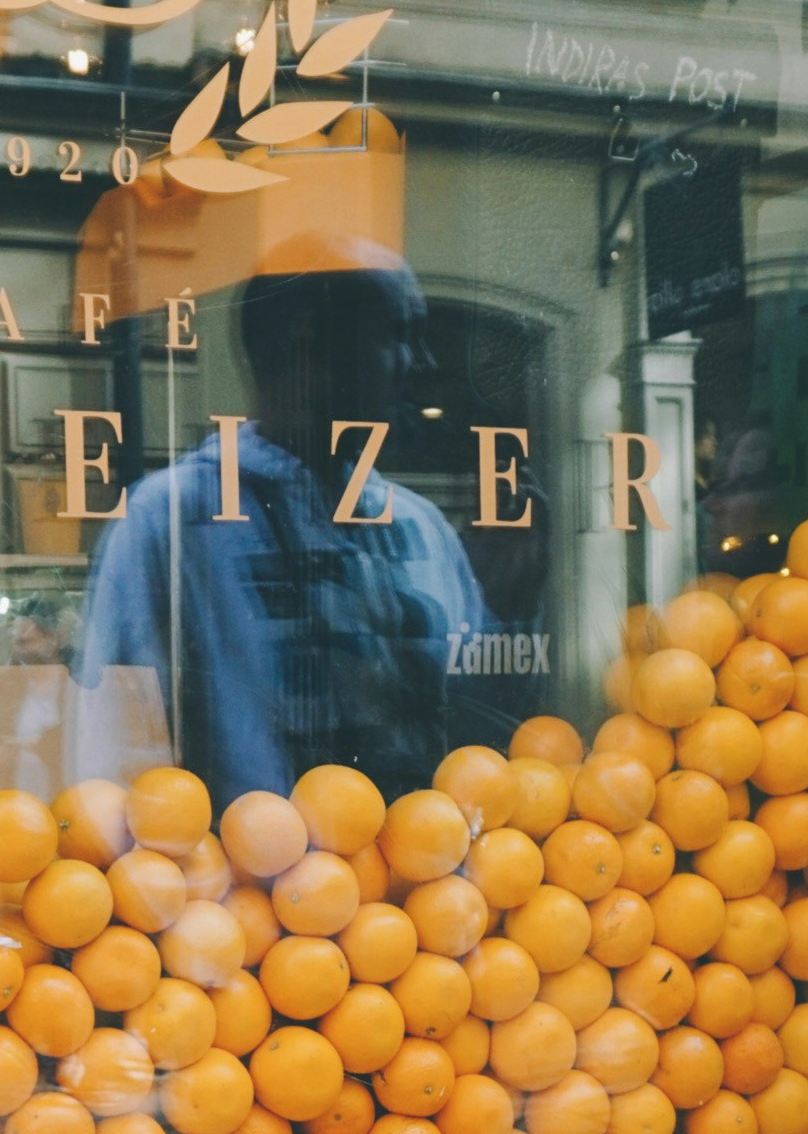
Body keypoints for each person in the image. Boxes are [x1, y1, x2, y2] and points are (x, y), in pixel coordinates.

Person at [75, 234, 513, 804]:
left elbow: (482, 733)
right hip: (251, 889)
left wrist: (514, 607)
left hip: (428, 885)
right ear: (313, 340)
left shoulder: (422, 525)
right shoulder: (169, 521)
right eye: (399, 334)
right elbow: (114, 755)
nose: (423, 363)